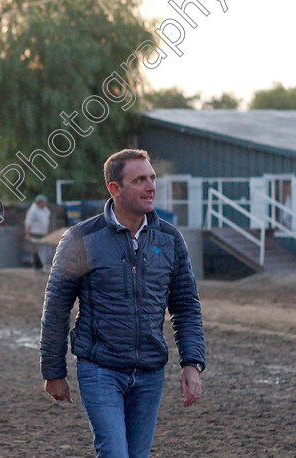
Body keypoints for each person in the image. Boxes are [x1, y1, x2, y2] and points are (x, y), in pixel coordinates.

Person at [39, 149, 205, 458]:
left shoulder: (169, 239)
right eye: (140, 179)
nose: (151, 186)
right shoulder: (81, 239)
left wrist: (191, 363)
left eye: (152, 178)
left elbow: (186, 306)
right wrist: (53, 370)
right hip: (100, 369)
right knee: (115, 453)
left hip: (150, 373)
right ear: (115, 189)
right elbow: (57, 306)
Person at [24, 194, 51, 270]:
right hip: (35, 234)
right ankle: (38, 267)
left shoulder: (45, 209)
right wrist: (28, 234)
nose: (44, 204)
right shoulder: (33, 211)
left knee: (43, 251)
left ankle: (43, 266)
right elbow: (28, 223)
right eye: (43, 202)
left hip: (43, 234)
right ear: (39, 203)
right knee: (37, 251)